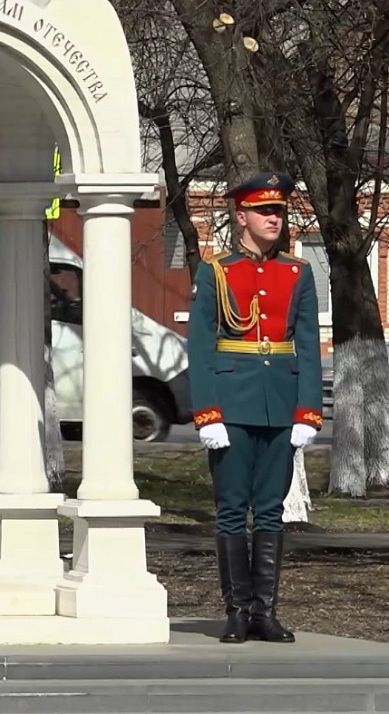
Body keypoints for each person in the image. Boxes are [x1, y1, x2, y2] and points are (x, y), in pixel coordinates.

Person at [187, 171, 323, 645]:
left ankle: (264, 613)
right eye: (266, 211)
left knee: (269, 512)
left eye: (280, 211)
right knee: (230, 512)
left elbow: (306, 343)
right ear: (240, 215)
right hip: (231, 406)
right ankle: (236, 613)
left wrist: (308, 411)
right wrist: (207, 412)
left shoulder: (296, 272)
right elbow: (201, 348)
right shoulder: (217, 270)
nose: (275, 219)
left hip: (280, 406)